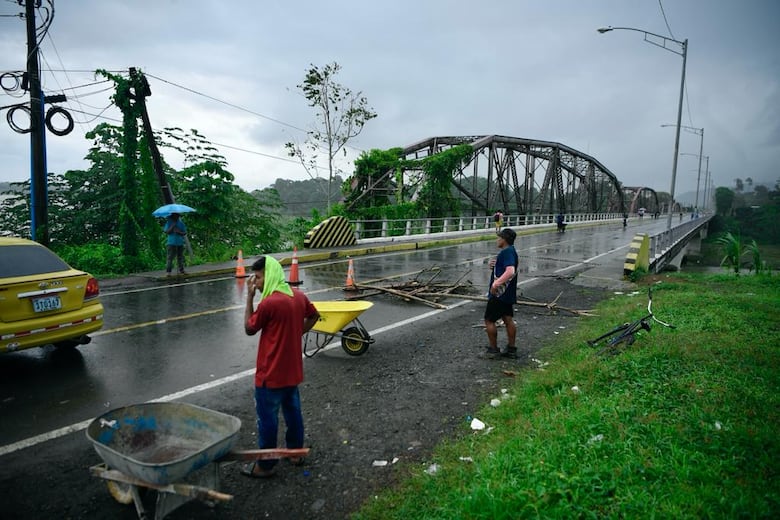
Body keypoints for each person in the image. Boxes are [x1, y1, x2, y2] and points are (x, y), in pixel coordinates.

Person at [241, 256, 320, 478]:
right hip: (292, 372)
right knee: (293, 413)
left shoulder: (270, 303)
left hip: (270, 374)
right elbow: (314, 316)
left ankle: (265, 466)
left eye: (257, 277)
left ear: (270, 275)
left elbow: (249, 328)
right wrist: (297, 332)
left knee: (268, 420)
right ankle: (295, 453)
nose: (255, 283)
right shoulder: (298, 296)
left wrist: (249, 297)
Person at [484, 228, 519, 359]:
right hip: (507, 293)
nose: (497, 240)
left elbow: (510, 271)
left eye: (499, 238)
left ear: (504, 240)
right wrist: (495, 264)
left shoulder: (507, 252)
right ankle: (511, 349)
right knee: (507, 319)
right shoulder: (510, 251)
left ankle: (493, 350)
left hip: (499, 294)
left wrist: (496, 284)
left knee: (489, 320)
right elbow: (506, 268)